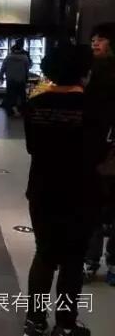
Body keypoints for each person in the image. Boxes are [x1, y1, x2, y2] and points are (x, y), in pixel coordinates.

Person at [22, 45, 94, 336]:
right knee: (73, 259)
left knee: (44, 253)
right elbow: (99, 153)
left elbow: (31, 147)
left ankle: (35, 320)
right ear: (84, 72)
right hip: (82, 190)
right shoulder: (94, 107)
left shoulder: (34, 104)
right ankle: (65, 323)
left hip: (42, 188)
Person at [83, 23, 115, 283]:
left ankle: (110, 261)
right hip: (95, 150)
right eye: (94, 38)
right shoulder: (90, 70)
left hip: (107, 149)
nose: (95, 42)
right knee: (92, 206)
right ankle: (91, 259)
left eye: (101, 39)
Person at [0, 38, 31, 116]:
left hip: (10, 80)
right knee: (22, 95)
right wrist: (27, 78)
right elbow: (27, 69)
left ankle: (10, 112)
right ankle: (23, 111)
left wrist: (1, 76)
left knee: (11, 96)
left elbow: (3, 68)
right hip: (21, 80)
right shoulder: (24, 57)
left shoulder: (8, 57)